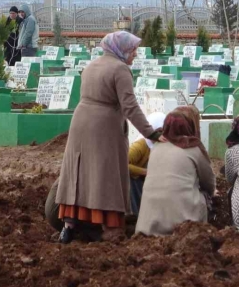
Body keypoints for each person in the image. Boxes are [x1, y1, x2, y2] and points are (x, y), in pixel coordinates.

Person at [56, 31, 160, 244]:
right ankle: (111, 228)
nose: (135, 55)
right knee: (106, 175)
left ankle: (69, 226)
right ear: (121, 50)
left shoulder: (91, 65)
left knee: (79, 171)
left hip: (80, 122)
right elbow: (130, 107)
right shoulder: (120, 69)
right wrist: (152, 133)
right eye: (133, 51)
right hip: (103, 126)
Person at [135, 109, 216, 236]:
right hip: (183, 224)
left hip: (147, 226)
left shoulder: (155, 147)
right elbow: (209, 183)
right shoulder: (193, 148)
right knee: (206, 196)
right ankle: (201, 234)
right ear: (187, 126)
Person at [128, 112, 167, 216]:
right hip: (133, 182)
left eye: (164, 131)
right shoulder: (141, 145)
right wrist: (145, 172)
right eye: (158, 131)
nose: (161, 135)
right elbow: (122, 165)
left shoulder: (159, 145)